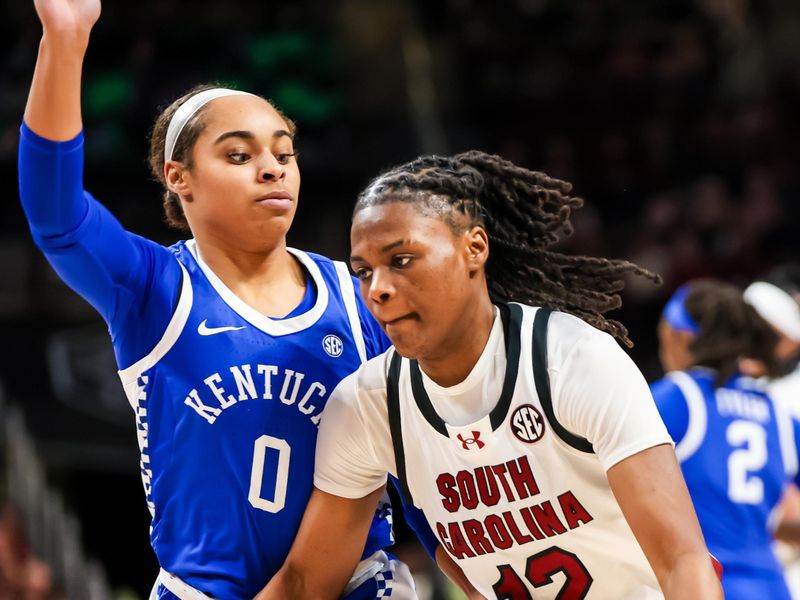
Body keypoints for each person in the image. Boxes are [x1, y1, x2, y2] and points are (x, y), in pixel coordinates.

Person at [18, 1, 422, 598]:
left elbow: (416, 449)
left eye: (284, 154)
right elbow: (57, 218)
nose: (271, 169)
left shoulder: (356, 293)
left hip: (353, 581)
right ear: (178, 176)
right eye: (240, 155)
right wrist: (66, 35)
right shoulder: (156, 287)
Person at [256, 151, 723, 599]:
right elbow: (306, 582)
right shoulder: (367, 406)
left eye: (401, 260)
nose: (377, 289)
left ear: (474, 248)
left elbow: (683, 561)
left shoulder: (570, 360)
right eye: (363, 271)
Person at [652, 279, 800, 599]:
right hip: (772, 586)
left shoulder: (676, 397)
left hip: (705, 584)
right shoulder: (780, 414)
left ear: (679, 335)